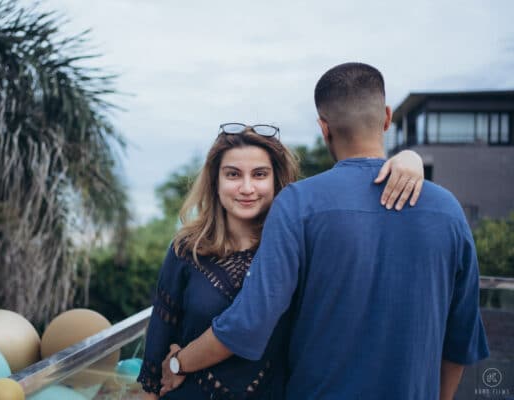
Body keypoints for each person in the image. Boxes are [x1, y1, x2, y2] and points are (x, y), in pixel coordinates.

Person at [159, 63, 489, 400]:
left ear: (323, 127)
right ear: (387, 117)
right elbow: (460, 340)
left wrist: (178, 363)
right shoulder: (448, 210)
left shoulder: (298, 204)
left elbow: (248, 323)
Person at [138, 119, 426, 399]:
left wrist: (410, 158)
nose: (247, 188)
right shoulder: (187, 250)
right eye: (233, 174)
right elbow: (155, 357)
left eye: (260, 174)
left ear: (277, 181)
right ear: (215, 181)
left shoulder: (298, 245)